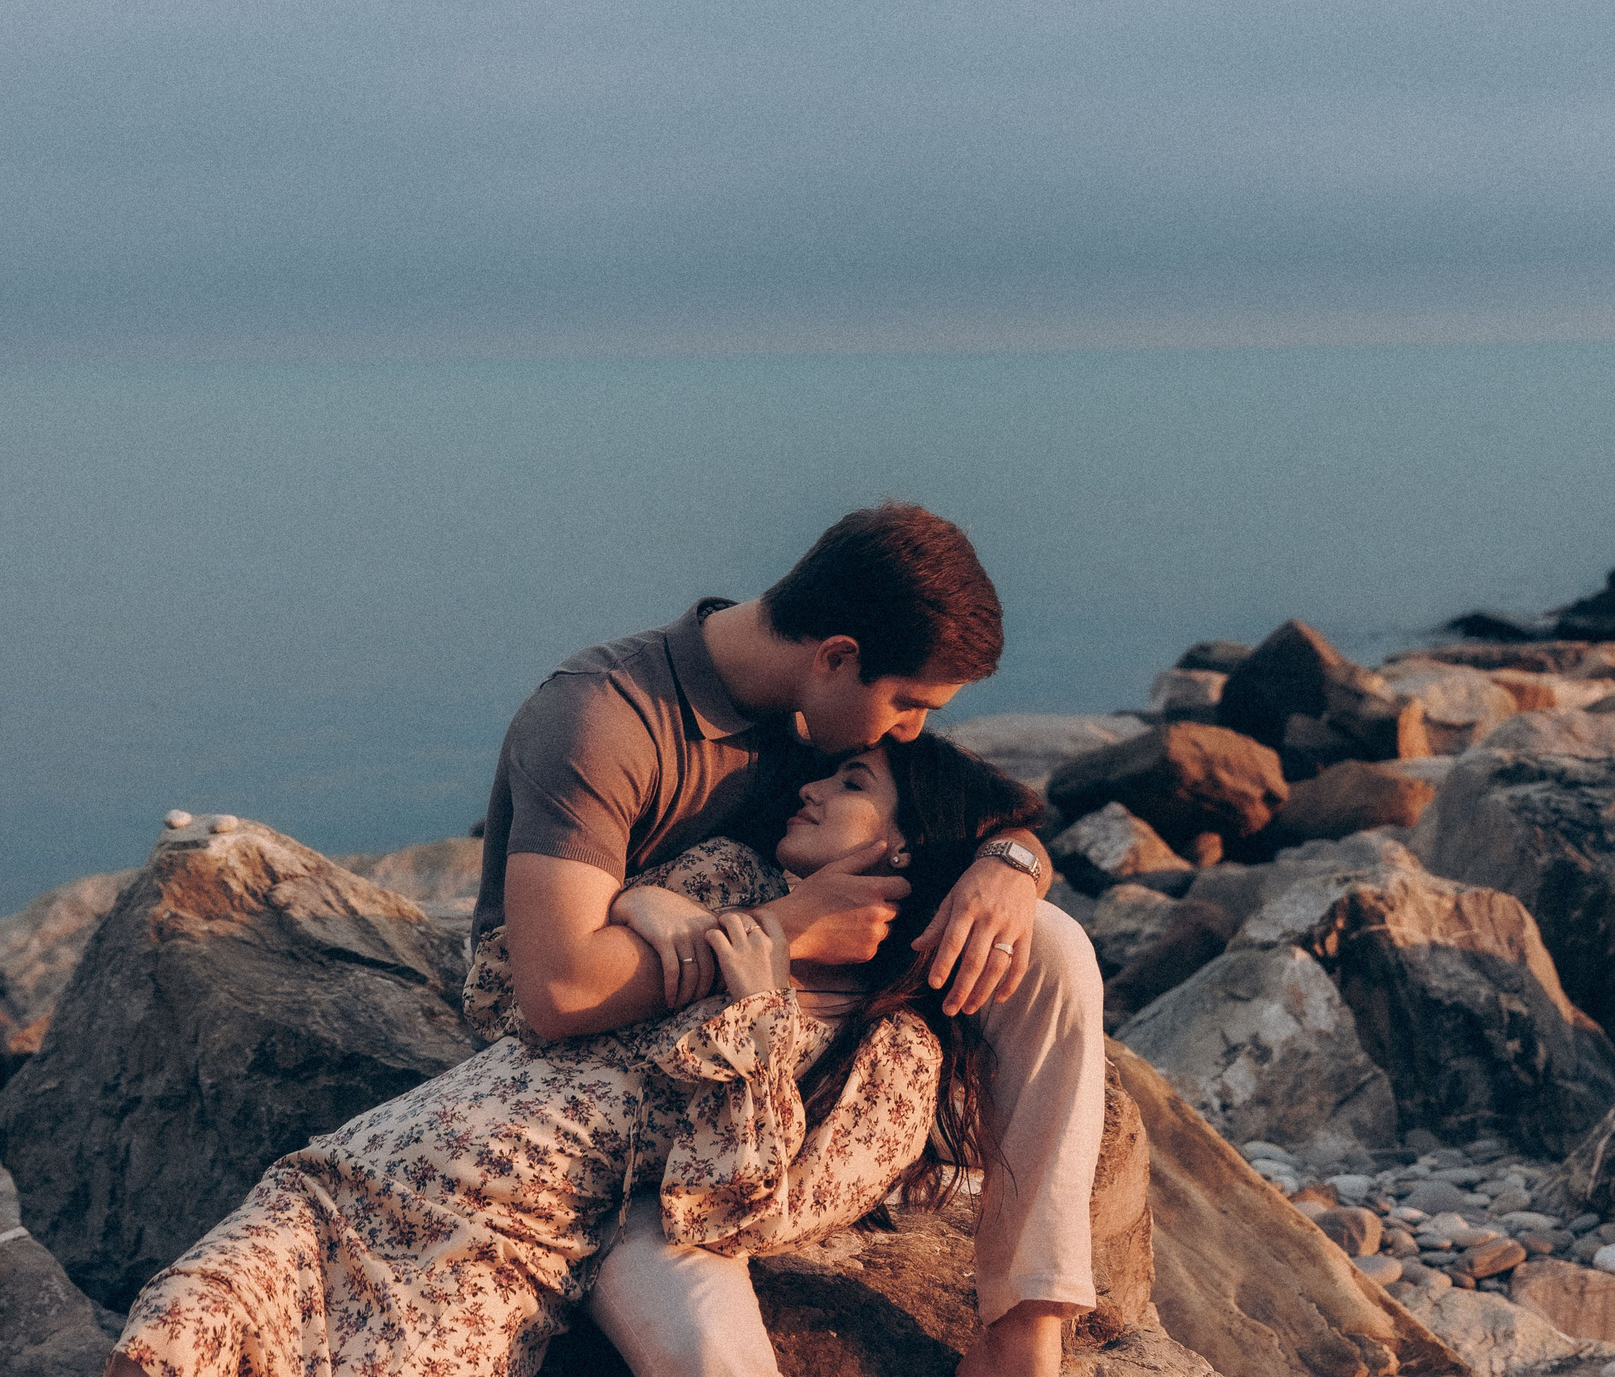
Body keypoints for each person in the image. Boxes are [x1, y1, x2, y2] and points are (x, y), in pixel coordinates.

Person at [108, 732, 1047, 1377]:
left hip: (485, 1265)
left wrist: (758, 1013)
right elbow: (499, 991)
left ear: (904, 846)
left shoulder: (891, 1057)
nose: (810, 786)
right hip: (341, 1183)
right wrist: (650, 908)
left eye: (852, 783)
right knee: (163, 1341)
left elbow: (738, 1215)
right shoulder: (724, 873)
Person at [468, 502, 1103, 1377]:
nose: (914, 729)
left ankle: (1024, 1322)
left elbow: (945, 810)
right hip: (608, 1105)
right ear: (837, 656)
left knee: (1053, 942)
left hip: (769, 1061)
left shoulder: (823, 725)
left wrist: (1010, 859)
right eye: (908, 703)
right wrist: (790, 926)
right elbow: (558, 990)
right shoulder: (605, 716)